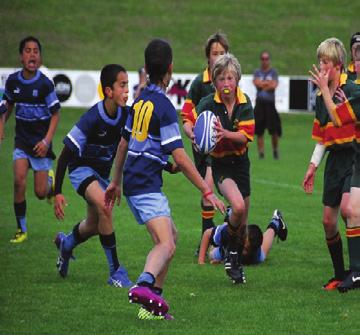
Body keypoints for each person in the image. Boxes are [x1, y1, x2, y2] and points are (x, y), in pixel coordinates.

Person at [105, 39, 225, 320]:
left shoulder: (140, 101)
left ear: (146, 69)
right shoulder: (165, 107)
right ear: (170, 69)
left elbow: (125, 145)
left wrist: (115, 182)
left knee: (171, 236)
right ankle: (144, 285)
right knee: (166, 244)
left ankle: (153, 303)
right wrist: (208, 191)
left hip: (135, 181)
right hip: (146, 185)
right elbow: (182, 157)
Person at [53, 64, 132, 288]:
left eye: (128, 85)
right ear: (108, 91)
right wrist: (57, 192)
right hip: (81, 170)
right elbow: (66, 154)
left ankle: (66, 244)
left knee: (94, 225)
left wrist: (166, 165)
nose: (127, 90)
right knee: (106, 207)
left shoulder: (127, 115)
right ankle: (116, 271)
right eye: (122, 85)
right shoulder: (92, 119)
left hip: (101, 175)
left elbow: (140, 144)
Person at [303, 37, 360, 291]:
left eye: (324, 62)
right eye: (319, 61)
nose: (320, 66)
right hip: (335, 160)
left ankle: (357, 271)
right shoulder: (320, 96)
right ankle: (340, 273)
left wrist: (327, 93)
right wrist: (312, 166)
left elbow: (339, 120)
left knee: (350, 210)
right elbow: (325, 136)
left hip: (354, 156)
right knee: (328, 221)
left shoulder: (352, 91)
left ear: (337, 65)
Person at [195, 53, 255, 284]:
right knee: (237, 207)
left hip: (241, 165)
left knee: (241, 222)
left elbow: (245, 137)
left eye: (230, 78)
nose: (226, 83)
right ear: (214, 82)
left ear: (237, 79)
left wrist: (225, 133)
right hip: (221, 166)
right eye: (221, 79)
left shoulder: (244, 102)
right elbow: (192, 124)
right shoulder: (207, 104)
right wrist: (194, 135)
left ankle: (235, 264)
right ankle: (230, 254)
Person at [0, 36, 60, 243]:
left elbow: (55, 114)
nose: (32, 54)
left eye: (36, 51)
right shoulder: (13, 81)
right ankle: (21, 229)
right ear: (21, 57)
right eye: (27, 50)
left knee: (41, 193)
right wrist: (1, 126)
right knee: (18, 181)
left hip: (40, 143)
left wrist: (46, 142)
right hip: (22, 142)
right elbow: (6, 106)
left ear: (40, 58)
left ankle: (50, 182)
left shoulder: (45, 84)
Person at [181, 32, 229, 248]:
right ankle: (209, 240)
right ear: (207, 57)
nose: (218, 57)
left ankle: (223, 238)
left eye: (222, 53)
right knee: (208, 188)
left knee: (219, 187)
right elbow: (186, 116)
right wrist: (191, 132)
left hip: (225, 145)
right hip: (203, 146)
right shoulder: (200, 83)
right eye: (214, 53)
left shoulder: (230, 79)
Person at [198, 210, 287, 265]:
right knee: (212, 254)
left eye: (247, 250)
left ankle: (276, 222)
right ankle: (230, 216)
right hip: (225, 246)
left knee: (262, 257)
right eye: (243, 247)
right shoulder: (227, 232)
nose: (243, 253)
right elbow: (207, 234)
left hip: (251, 255)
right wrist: (201, 261)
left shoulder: (255, 255)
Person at [253, 51, 281, 159]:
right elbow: (256, 83)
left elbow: (274, 85)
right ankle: (261, 153)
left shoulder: (273, 72)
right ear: (261, 60)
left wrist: (263, 84)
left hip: (270, 104)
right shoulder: (257, 72)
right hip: (259, 105)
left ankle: (275, 150)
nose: (265, 61)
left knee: (274, 130)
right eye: (263, 59)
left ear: (269, 60)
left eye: (267, 58)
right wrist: (267, 84)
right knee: (259, 131)